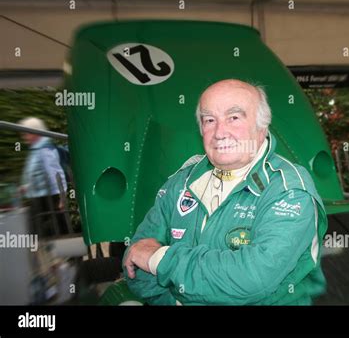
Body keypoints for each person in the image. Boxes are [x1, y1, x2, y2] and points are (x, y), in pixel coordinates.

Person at [124, 79, 328, 305]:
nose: (220, 132)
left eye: (234, 117)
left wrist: (158, 258)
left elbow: (252, 280)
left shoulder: (288, 189)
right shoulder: (181, 183)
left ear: (262, 126)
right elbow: (134, 266)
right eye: (210, 120)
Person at [19, 117, 67, 237]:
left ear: (35, 133)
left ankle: (72, 253)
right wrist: (27, 187)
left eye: (26, 134)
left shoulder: (45, 149)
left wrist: (62, 197)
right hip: (39, 195)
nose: (24, 138)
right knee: (41, 227)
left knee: (55, 226)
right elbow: (36, 173)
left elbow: (55, 173)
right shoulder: (36, 150)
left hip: (49, 196)